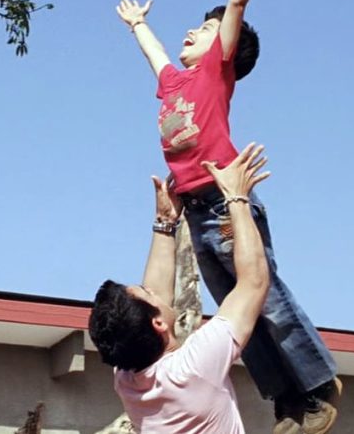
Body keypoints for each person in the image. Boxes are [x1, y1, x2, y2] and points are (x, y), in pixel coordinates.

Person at [113, 0, 341, 434]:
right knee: (234, 315)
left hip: (226, 201)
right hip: (195, 210)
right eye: (193, 27)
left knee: (267, 299)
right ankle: (286, 399)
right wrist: (137, 24)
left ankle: (317, 385)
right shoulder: (174, 83)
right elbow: (154, 53)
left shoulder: (216, 74)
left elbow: (236, 4)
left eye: (205, 28)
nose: (193, 31)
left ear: (226, 50)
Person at [90, 144, 273, 433]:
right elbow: (254, 282)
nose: (152, 289)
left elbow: (155, 299)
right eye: (147, 292)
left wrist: (165, 222)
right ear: (158, 323)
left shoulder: (128, 379)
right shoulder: (194, 368)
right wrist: (236, 197)